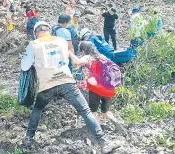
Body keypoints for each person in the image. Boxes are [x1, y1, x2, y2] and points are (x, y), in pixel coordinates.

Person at [21, 21, 121, 154]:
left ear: (35, 33)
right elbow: (68, 61)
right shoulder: (61, 41)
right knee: (85, 111)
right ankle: (103, 143)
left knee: (38, 108)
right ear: (49, 30)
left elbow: (24, 66)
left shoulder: (33, 44)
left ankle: (29, 139)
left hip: (47, 85)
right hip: (67, 82)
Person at [77, 41, 124, 132]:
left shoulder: (88, 58)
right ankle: (116, 123)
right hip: (108, 89)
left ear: (83, 50)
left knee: (93, 112)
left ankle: (98, 132)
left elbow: (80, 66)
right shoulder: (103, 57)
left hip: (96, 90)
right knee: (105, 112)